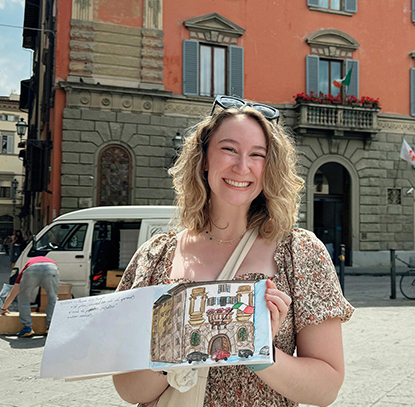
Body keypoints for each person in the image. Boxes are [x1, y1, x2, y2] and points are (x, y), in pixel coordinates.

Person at [112, 96, 354, 407]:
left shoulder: (300, 253)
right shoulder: (155, 255)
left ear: (270, 168)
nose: (242, 166)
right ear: (203, 159)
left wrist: (257, 348)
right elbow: (130, 391)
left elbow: (326, 389)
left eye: (258, 154)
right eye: (229, 149)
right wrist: (182, 341)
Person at [1, 256, 59, 337]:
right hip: (51, 268)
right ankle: (51, 327)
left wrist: (4, 308)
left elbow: (13, 293)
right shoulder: (50, 261)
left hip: (32, 270)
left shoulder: (27, 266)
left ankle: (27, 328)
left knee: (24, 297)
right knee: (53, 297)